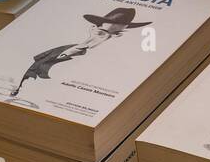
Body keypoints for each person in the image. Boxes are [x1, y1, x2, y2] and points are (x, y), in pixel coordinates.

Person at [10, 7, 150, 97]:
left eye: (116, 34)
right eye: (102, 33)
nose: (104, 39)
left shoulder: (110, 65)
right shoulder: (63, 47)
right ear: (92, 28)